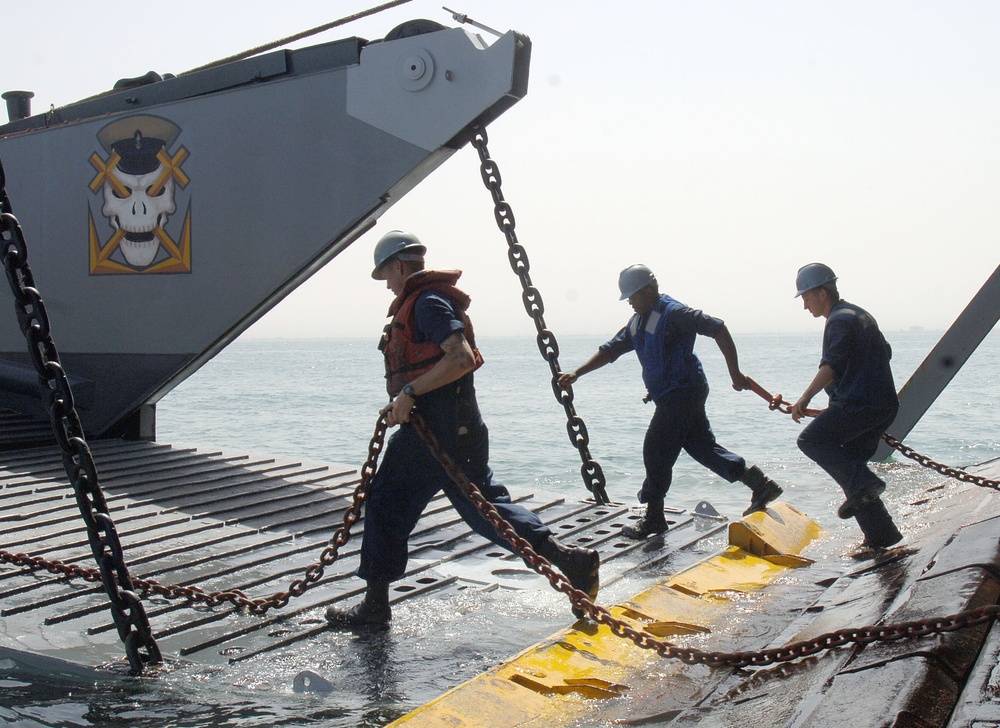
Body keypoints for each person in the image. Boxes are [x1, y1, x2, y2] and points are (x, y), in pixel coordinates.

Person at [326, 230, 600, 628]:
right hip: (455, 425)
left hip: (436, 429)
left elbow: (460, 358)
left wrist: (408, 391)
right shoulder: (426, 301)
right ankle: (570, 560)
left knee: (386, 502)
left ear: (399, 267)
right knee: (484, 508)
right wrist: (406, 399)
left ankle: (374, 607)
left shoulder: (427, 303)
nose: (386, 284)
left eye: (386, 275)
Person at [558, 264, 783, 539]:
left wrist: (734, 374)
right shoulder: (638, 320)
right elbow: (611, 350)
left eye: (632, 296)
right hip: (673, 395)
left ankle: (654, 518)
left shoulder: (673, 313)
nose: (629, 302)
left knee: (655, 449)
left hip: (684, 391)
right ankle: (759, 484)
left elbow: (718, 328)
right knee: (702, 448)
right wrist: (577, 373)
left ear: (650, 290)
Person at [790, 263, 903, 550]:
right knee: (850, 469)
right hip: (883, 405)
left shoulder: (839, 320)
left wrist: (805, 398)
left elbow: (832, 364)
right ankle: (881, 534)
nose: (804, 305)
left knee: (810, 440)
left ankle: (866, 487)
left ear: (822, 293)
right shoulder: (860, 314)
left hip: (860, 405)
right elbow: (885, 352)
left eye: (806, 297)